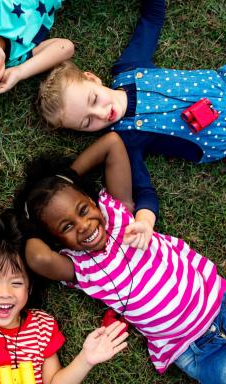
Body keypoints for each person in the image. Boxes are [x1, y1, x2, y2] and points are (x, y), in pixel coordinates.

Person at [15, 132, 226, 382]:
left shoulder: (118, 212)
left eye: (83, 210)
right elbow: (38, 258)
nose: (83, 225)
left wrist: (68, 177)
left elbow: (112, 143)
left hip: (218, 299)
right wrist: (27, 225)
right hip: (190, 347)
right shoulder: (78, 267)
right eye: (66, 227)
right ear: (57, 240)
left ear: (93, 201)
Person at [38, 0, 226, 221]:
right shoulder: (126, 140)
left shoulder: (129, 67)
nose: (100, 113)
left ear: (92, 78)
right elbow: (143, 189)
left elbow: (151, 20)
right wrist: (145, 220)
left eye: (94, 99)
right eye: (88, 122)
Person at [0, 210, 128, 384]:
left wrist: (85, 359)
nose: (5, 293)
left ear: (30, 286)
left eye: (16, 283)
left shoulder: (42, 326)